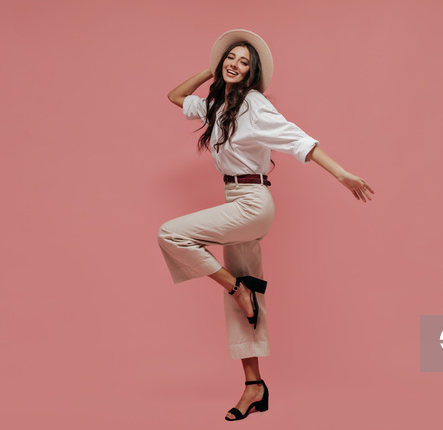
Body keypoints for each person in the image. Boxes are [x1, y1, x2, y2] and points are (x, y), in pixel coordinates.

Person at [158, 29, 373, 421]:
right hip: (234, 200)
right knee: (248, 292)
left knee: (172, 234)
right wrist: (209, 71)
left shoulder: (253, 105)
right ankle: (254, 387)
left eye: (243, 61)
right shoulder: (215, 106)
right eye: (230, 58)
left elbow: (299, 140)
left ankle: (238, 289)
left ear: (252, 73)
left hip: (253, 203)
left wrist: (342, 174)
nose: (234, 64)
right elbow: (174, 97)